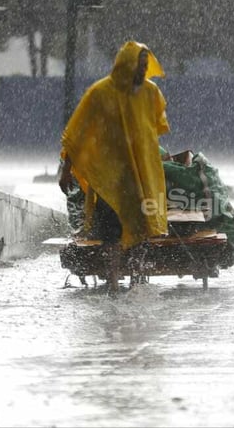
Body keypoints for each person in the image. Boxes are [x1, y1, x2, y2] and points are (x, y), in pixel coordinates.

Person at [58, 41, 170, 293]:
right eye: (139, 67)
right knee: (111, 231)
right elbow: (77, 135)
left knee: (142, 227)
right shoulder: (100, 93)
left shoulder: (151, 93)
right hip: (110, 178)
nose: (143, 72)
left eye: (145, 67)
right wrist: (66, 170)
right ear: (126, 66)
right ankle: (113, 279)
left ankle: (137, 280)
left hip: (142, 176)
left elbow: (154, 129)